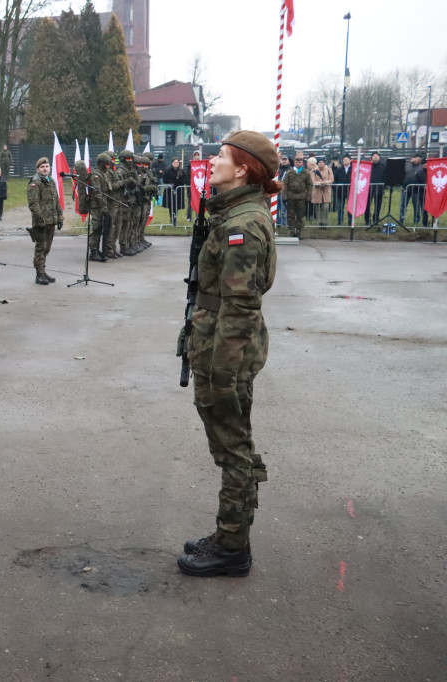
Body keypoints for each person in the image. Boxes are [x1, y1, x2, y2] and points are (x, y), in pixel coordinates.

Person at [178, 130, 279, 578]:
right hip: (216, 344)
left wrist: (221, 373)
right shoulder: (233, 214)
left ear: (242, 168)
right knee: (229, 444)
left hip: (226, 352)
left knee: (233, 448)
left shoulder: (242, 225)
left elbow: (240, 305)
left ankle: (233, 547)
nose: (212, 160)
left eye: (220, 155)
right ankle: (230, 535)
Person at [26, 156, 63, 284]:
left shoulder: (50, 181)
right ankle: (39, 274)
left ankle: (42, 270)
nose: (45, 168)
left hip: (51, 220)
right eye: (42, 167)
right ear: (38, 169)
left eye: (47, 166)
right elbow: (33, 204)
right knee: (40, 248)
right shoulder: (35, 183)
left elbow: (56, 201)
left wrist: (60, 217)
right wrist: (40, 220)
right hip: (41, 222)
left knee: (47, 248)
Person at [281, 154, 311, 237]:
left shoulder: (305, 172)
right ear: (294, 163)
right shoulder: (289, 172)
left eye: (300, 162)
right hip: (291, 197)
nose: (298, 163)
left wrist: (308, 197)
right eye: (297, 162)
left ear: (302, 163)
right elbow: (285, 184)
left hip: (301, 197)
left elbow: (309, 185)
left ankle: (298, 232)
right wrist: (285, 196)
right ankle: (291, 232)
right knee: (290, 216)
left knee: (300, 216)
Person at [401, 154, 427, 227]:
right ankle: (401, 220)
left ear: (419, 159)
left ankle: (416, 221)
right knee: (403, 205)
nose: (412, 158)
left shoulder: (421, 168)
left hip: (416, 190)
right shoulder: (407, 167)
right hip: (406, 189)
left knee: (416, 206)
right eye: (412, 157)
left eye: (414, 157)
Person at [310, 157, 333, 226]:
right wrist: (320, 183)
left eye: (322, 162)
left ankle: (325, 222)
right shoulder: (313, 171)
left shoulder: (329, 170)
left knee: (325, 207)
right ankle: (320, 222)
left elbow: (331, 179)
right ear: (317, 163)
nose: (321, 164)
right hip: (317, 191)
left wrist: (326, 182)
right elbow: (313, 181)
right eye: (320, 162)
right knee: (318, 208)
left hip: (326, 191)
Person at [162, 158, 186, 224]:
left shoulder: (182, 171)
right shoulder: (167, 171)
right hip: (170, 191)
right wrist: (172, 182)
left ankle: (175, 218)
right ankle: (171, 217)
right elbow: (165, 180)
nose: (176, 163)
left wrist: (178, 182)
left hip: (178, 191)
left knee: (177, 205)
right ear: (172, 163)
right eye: (174, 162)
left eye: (177, 162)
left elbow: (184, 180)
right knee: (171, 205)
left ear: (179, 163)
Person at [364, 152, 386, 227]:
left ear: (379, 157)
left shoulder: (383, 166)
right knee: (367, 205)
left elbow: (385, 177)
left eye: (377, 156)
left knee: (378, 205)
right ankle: (367, 220)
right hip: (369, 188)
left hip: (379, 188)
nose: (375, 157)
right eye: (374, 156)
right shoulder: (368, 166)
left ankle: (376, 219)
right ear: (371, 158)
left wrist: (384, 186)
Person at [333, 154, 352, 225]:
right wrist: (336, 188)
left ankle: (350, 221)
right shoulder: (338, 170)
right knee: (340, 207)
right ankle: (340, 221)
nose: (345, 160)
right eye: (344, 159)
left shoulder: (353, 169)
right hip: (340, 191)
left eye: (347, 159)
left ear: (350, 160)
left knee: (350, 207)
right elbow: (335, 180)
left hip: (350, 191)